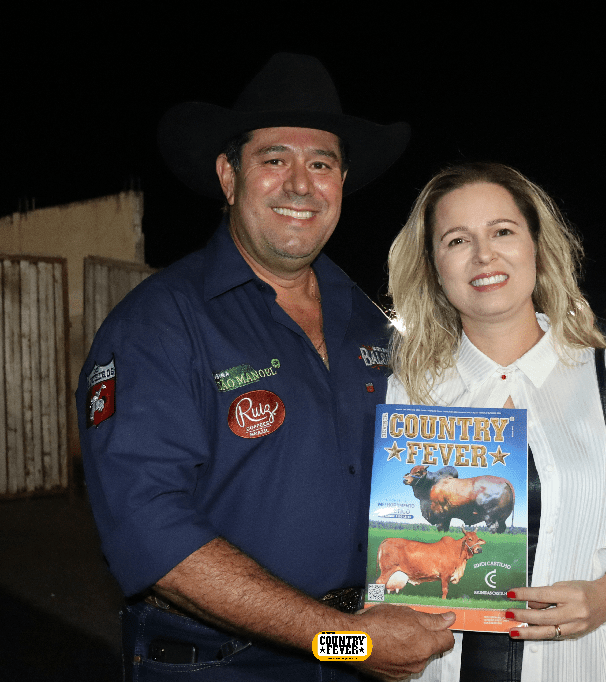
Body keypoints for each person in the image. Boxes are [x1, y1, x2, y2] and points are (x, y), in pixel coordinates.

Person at [76, 53, 454, 681]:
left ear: (341, 182)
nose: (301, 186)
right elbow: (150, 532)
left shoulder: (370, 323)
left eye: (321, 164)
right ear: (229, 176)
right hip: (226, 664)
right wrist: (346, 640)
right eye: (275, 160)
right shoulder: (157, 325)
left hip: (364, 650)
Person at [385, 162, 606, 681]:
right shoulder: (407, 394)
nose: (484, 254)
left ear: (536, 245)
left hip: (583, 664)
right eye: (457, 240)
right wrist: (350, 644)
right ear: (433, 266)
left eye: (502, 231)